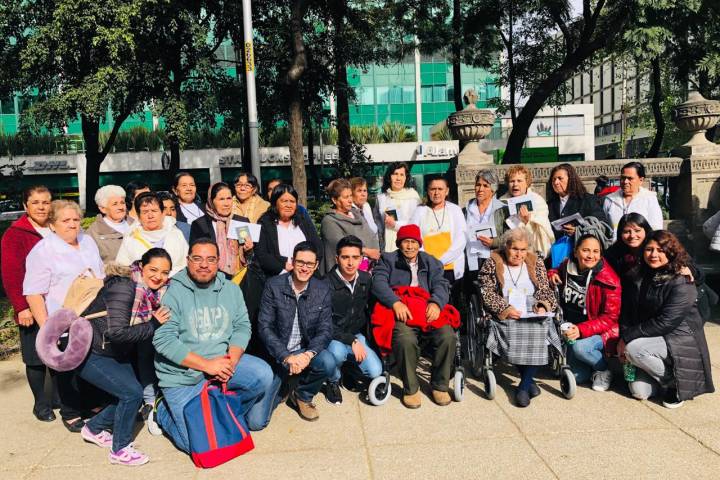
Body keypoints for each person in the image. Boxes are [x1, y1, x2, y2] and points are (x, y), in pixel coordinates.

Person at [153, 238, 274, 453]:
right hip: (184, 376)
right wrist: (207, 365)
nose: (204, 265)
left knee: (262, 374)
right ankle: (161, 410)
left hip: (221, 362)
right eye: (197, 259)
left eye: (210, 259)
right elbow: (164, 340)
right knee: (199, 447)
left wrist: (231, 361)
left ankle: (221, 411)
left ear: (218, 261)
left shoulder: (231, 289)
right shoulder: (171, 292)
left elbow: (242, 326)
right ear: (188, 260)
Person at [74, 249, 173, 466]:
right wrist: (154, 324)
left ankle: (93, 429)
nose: (159, 276)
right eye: (153, 270)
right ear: (142, 267)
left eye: (165, 272)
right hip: (92, 350)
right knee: (132, 394)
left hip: (113, 351)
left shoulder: (149, 292)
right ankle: (120, 450)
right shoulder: (125, 287)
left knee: (129, 395)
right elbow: (116, 332)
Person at [23, 199, 106, 431]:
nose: (72, 224)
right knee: (68, 366)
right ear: (52, 224)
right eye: (65, 220)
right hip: (61, 318)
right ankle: (70, 412)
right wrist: (47, 329)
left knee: (92, 359)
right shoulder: (43, 251)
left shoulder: (87, 241)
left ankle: (91, 403)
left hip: (92, 315)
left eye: (76, 219)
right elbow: (33, 293)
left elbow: (99, 274)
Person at [617, 230, 714, 408]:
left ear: (671, 252)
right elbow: (628, 311)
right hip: (652, 334)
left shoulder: (681, 280)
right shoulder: (639, 275)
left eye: (661, 250)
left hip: (680, 337)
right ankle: (662, 373)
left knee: (635, 349)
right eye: (649, 249)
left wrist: (627, 338)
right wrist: (623, 334)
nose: (654, 254)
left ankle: (675, 382)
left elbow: (666, 322)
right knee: (639, 391)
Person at [371, 224, 454, 409]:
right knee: (405, 339)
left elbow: (441, 284)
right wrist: (395, 302)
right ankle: (411, 388)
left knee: (447, 336)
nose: (409, 246)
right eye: (405, 242)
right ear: (399, 243)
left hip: (427, 308)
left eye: (413, 242)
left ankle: (440, 385)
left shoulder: (431, 262)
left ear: (419, 243)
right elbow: (378, 283)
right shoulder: (388, 260)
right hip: (402, 311)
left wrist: (436, 303)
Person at [478, 228, 560, 408]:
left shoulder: (535, 261)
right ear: (506, 247)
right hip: (506, 309)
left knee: (539, 331)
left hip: (532, 308)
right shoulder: (493, 261)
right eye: (514, 249)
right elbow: (487, 292)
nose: (519, 254)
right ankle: (528, 383)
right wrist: (505, 309)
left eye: (523, 250)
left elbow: (545, 289)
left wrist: (542, 305)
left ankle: (523, 387)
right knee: (513, 331)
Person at [257, 241, 335, 421]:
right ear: (292, 261)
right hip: (278, 354)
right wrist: (286, 356)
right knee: (257, 421)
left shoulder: (322, 289)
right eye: (300, 262)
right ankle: (285, 383)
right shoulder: (274, 285)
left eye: (309, 264)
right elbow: (264, 326)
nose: (304, 268)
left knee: (328, 362)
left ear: (316, 265)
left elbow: (325, 329)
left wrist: (308, 355)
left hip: (303, 351)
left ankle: (302, 395)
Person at [1, 185, 56, 422]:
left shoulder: (57, 227)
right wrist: (21, 307)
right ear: (25, 206)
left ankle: (58, 398)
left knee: (58, 351)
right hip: (31, 306)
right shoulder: (15, 234)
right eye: (35, 202)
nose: (41, 207)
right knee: (35, 357)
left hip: (57, 304)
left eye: (46, 202)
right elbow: (11, 274)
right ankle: (41, 404)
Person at [549, 233, 621, 391]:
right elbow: (555, 270)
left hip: (600, 331)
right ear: (576, 252)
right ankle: (589, 365)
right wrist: (552, 274)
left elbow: (610, 318)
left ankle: (604, 369)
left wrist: (581, 330)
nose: (591, 256)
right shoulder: (568, 265)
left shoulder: (609, 279)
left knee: (580, 348)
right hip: (571, 326)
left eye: (596, 251)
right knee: (578, 376)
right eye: (585, 250)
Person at [323, 235, 382, 405]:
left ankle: (348, 369)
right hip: (333, 337)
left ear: (361, 259)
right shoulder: (324, 283)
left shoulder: (365, 279)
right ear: (337, 258)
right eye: (345, 257)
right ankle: (333, 380)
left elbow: (371, 308)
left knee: (375, 371)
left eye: (355, 257)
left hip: (356, 334)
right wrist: (351, 341)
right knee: (336, 353)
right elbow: (324, 323)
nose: (350, 263)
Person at [410, 176, 467, 296]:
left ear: (447, 191)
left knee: (451, 302)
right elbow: (414, 238)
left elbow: (461, 239)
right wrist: (429, 262)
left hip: (450, 267)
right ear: (428, 191)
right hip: (427, 267)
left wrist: (441, 261)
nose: (436, 193)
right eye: (433, 189)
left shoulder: (455, 210)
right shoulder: (419, 211)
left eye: (440, 189)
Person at [255, 184, 322, 278]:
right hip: (278, 277)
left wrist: (309, 265)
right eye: (284, 201)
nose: (288, 205)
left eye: (292, 201)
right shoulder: (265, 223)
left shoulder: (303, 221)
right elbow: (261, 255)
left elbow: (318, 247)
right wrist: (283, 265)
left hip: (308, 275)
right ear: (275, 203)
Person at [116, 192, 188, 276]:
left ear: (162, 213)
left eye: (154, 211)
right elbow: (121, 268)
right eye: (145, 212)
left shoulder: (176, 234)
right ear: (139, 217)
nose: (150, 216)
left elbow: (186, 264)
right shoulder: (130, 238)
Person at [190, 182, 253, 278]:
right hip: (211, 277)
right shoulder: (200, 224)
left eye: (229, 198)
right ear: (211, 201)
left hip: (240, 277)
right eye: (221, 199)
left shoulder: (241, 222)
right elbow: (195, 255)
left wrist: (248, 250)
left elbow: (251, 257)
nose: (226, 204)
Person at [320, 178, 380, 274]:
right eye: (345, 197)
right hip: (345, 272)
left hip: (369, 268)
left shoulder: (357, 214)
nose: (350, 200)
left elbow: (371, 235)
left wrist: (375, 252)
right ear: (334, 200)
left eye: (351, 195)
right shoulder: (329, 221)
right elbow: (341, 245)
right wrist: (368, 252)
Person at [498, 165, 554, 258]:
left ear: (527, 183)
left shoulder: (537, 200)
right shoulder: (501, 202)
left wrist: (528, 220)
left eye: (519, 181)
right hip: (509, 251)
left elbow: (544, 227)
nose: (515, 184)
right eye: (512, 181)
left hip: (534, 250)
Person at [546, 163, 608, 240]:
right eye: (553, 179)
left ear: (571, 180)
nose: (556, 182)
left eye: (560, 178)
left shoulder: (588, 200)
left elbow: (602, 225)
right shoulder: (548, 205)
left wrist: (579, 231)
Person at [603, 162, 664, 240]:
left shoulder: (649, 199)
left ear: (641, 180)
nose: (625, 181)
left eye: (630, 178)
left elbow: (656, 229)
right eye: (623, 178)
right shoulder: (610, 200)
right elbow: (604, 227)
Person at [373, 161, 421, 252]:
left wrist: (395, 225)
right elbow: (377, 225)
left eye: (402, 175)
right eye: (395, 174)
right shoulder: (381, 198)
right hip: (386, 248)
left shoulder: (413, 197)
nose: (398, 178)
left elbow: (417, 225)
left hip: (408, 247)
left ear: (406, 177)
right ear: (389, 177)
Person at [86, 185, 136, 263]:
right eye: (115, 204)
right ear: (103, 209)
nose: (120, 207)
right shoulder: (93, 233)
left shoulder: (136, 224)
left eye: (122, 203)